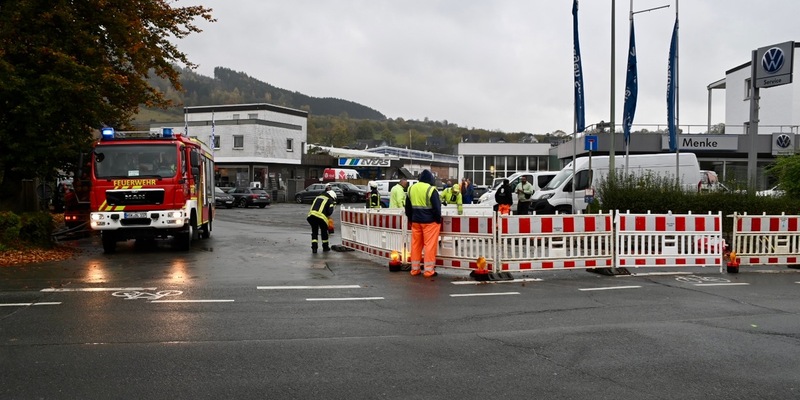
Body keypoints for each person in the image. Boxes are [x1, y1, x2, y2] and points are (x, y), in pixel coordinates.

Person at [404, 169, 442, 278]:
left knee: (416, 245)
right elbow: (436, 207)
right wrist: (438, 220)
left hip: (416, 221)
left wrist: (411, 219)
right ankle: (428, 271)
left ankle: (415, 270)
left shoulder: (411, 188)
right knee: (429, 246)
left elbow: (408, 207)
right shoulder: (431, 189)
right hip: (430, 222)